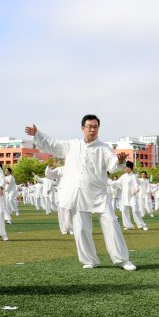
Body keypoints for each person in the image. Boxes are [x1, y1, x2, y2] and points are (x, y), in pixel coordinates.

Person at [25, 115, 136, 271]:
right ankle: (89, 259)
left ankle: (122, 260)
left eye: (95, 127)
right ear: (83, 128)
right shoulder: (72, 145)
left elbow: (112, 166)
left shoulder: (104, 148)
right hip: (78, 193)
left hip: (98, 194)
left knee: (111, 222)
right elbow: (53, 144)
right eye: (89, 126)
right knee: (81, 228)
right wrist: (37, 134)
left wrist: (120, 161)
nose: (92, 130)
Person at [114, 161, 148, 231]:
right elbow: (117, 183)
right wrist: (110, 183)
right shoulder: (123, 176)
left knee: (135, 210)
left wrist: (137, 189)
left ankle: (142, 225)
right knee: (124, 211)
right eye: (125, 167)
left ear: (131, 168)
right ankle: (128, 225)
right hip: (124, 196)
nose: (126, 169)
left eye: (128, 167)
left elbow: (136, 184)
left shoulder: (133, 176)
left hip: (132, 195)